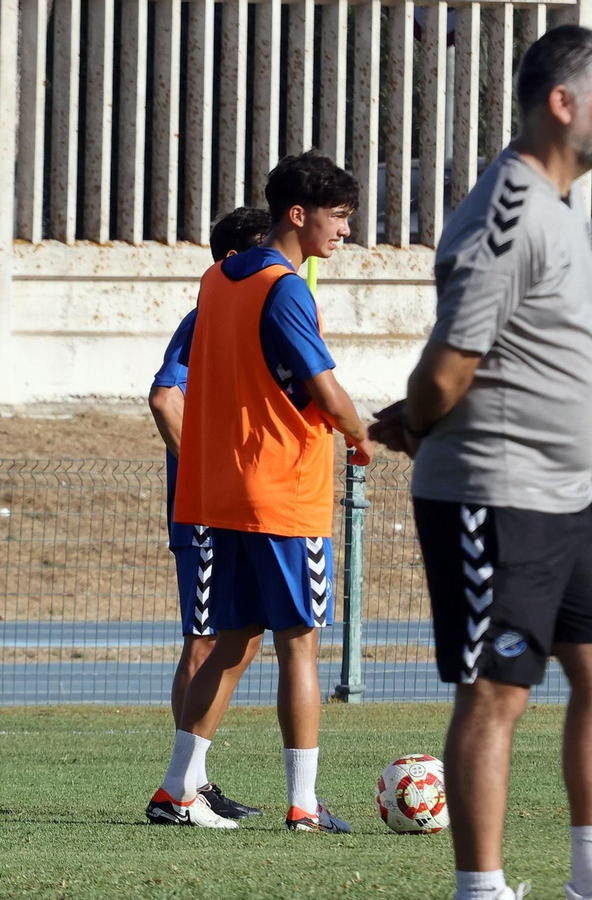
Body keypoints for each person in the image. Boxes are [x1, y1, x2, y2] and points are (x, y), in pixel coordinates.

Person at [368, 25, 592, 900]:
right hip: (498, 492)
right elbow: (448, 366)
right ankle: (481, 890)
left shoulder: (568, 204)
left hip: (571, 492)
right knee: (497, 692)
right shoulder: (511, 211)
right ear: (563, 104)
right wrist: (416, 422)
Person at [144, 151, 373, 831]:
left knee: (233, 642)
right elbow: (325, 389)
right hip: (284, 492)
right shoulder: (286, 286)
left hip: (222, 495)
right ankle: (304, 804)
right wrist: (363, 436)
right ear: (298, 215)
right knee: (299, 644)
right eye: (338, 218)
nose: (345, 233)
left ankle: (177, 789)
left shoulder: (216, 281)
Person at [146, 206, 271, 823]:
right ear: (231, 261)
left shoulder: (247, 314)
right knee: (203, 643)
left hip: (239, 507)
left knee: (235, 639)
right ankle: (182, 789)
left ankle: (191, 777)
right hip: (205, 512)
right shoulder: (204, 320)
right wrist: (203, 471)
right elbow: (165, 397)